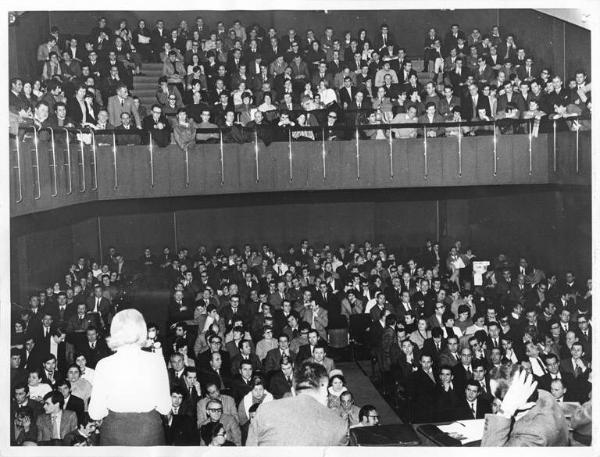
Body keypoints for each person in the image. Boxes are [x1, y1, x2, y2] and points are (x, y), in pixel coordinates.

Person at [88, 309, 171, 445]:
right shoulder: (156, 360)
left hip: (114, 434)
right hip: (149, 433)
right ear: (142, 330)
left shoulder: (104, 365)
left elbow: (95, 413)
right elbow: (165, 407)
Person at [246, 361, 348, 445]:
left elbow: (249, 451)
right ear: (325, 391)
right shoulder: (339, 425)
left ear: (293, 391)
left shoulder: (264, 411)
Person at [481, 365, 569, 446]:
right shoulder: (545, 395)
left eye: (499, 399)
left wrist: (505, 412)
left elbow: (489, 453)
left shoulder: (533, 436)